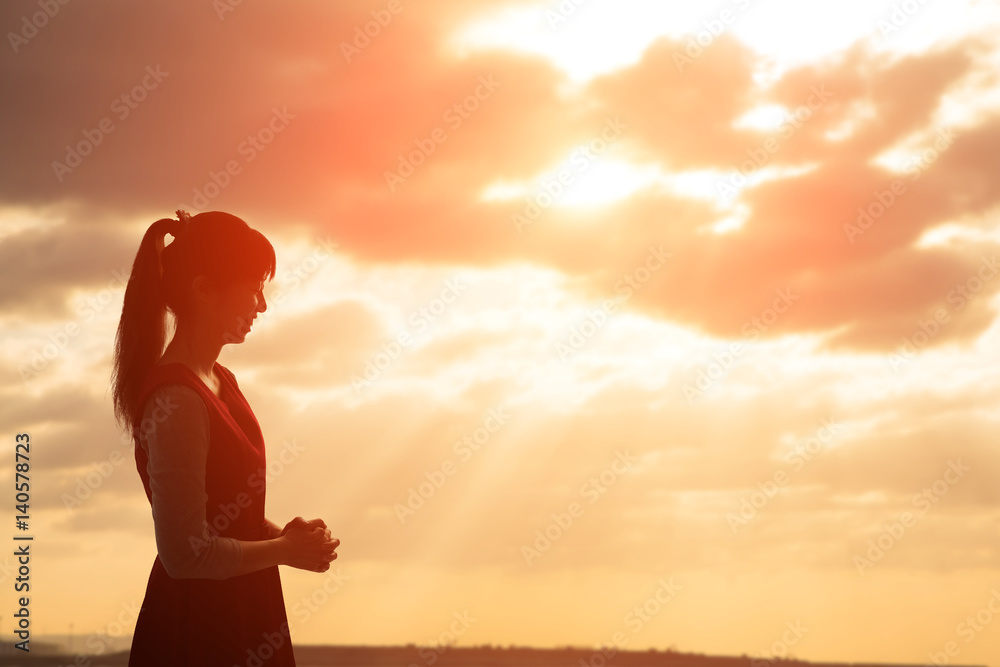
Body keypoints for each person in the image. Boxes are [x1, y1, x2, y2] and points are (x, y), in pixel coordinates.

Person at [111, 210, 338, 666]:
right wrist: (284, 551)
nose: (262, 304)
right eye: (253, 287)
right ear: (203, 290)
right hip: (200, 628)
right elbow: (185, 555)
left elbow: (227, 514)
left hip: (244, 608)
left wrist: (286, 539)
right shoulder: (177, 399)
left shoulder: (220, 380)